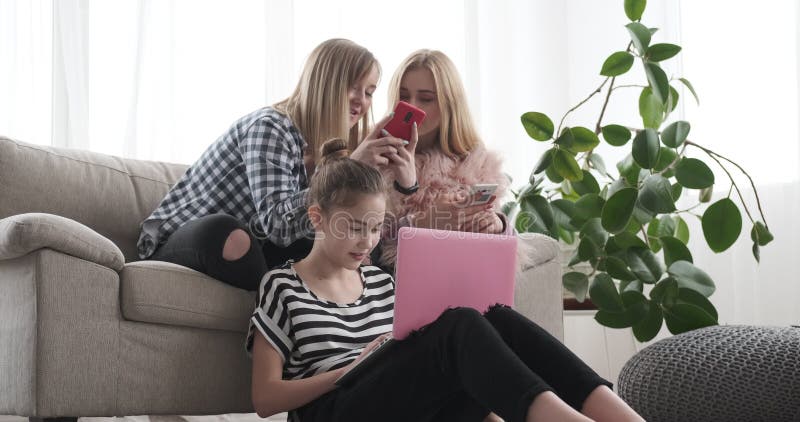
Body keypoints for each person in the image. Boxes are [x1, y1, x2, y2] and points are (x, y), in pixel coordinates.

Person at [247, 138, 644, 422]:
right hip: (333, 409)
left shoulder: (382, 284)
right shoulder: (283, 286)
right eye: (353, 227)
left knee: (496, 317)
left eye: (374, 229)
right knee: (460, 323)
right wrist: (350, 370)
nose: (366, 242)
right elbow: (265, 399)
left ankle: (621, 416)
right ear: (317, 218)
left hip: (401, 404)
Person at [135, 38, 415, 291]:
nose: (362, 101)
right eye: (352, 87)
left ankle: (325, 313)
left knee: (341, 253)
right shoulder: (270, 127)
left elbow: (343, 230)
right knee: (228, 233)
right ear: (324, 84)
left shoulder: (333, 147)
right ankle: (287, 303)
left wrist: (405, 184)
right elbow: (278, 225)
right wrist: (345, 172)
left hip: (259, 246)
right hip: (187, 240)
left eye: (369, 92)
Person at [376, 49, 511, 269]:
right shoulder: (379, 161)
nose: (412, 106)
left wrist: (498, 226)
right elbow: (367, 250)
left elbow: (504, 256)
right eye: (403, 96)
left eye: (426, 98)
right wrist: (421, 224)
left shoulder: (478, 165)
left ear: (449, 104)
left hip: (467, 282)